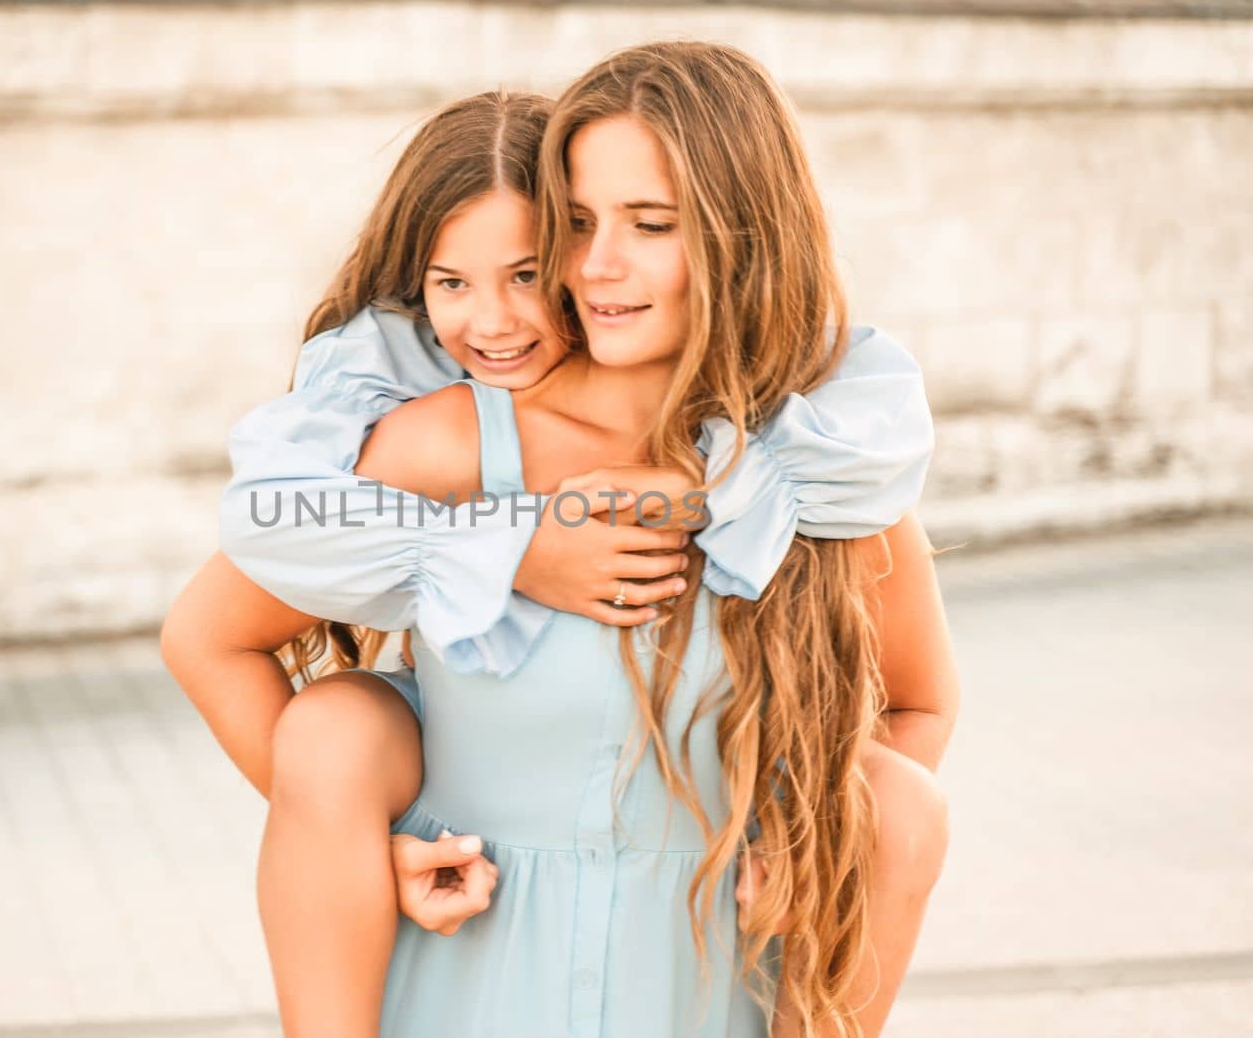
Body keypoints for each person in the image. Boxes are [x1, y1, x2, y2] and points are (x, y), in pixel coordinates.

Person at [162, 57, 953, 1037]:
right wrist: (368, 841)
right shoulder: (447, 441)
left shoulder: (821, 468)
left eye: (650, 224)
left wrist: (811, 833)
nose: (596, 265)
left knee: (899, 800)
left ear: (742, 236)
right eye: (574, 225)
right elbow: (213, 631)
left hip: (707, 977)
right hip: (476, 964)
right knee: (331, 720)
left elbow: (917, 704)